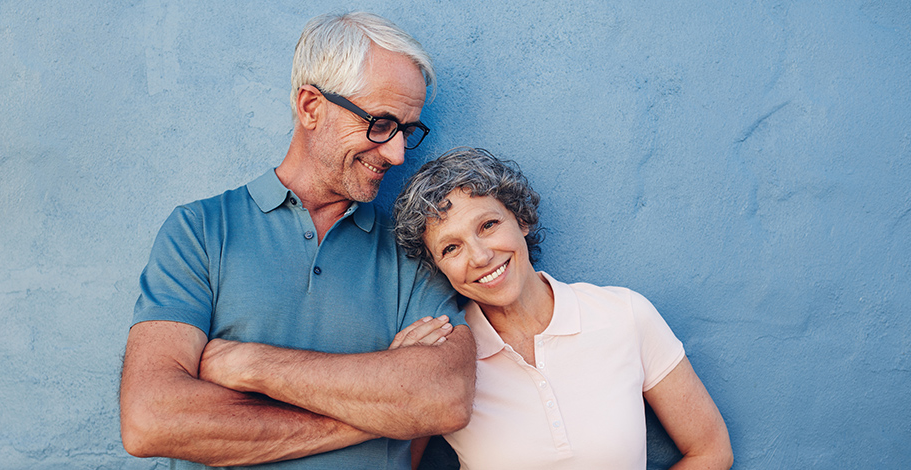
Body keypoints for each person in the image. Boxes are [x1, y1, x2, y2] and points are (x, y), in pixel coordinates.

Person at [119, 12, 476, 469]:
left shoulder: (415, 247)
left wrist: (252, 365)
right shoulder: (201, 231)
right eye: (381, 123)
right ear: (311, 106)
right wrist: (383, 410)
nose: (397, 153)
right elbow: (152, 418)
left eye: (407, 130)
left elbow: (443, 398)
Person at [393, 147, 734, 469]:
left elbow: (711, 450)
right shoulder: (443, 357)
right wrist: (397, 379)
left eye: (488, 225)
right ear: (437, 268)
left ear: (521, 220)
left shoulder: (625, 315)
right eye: (452, 248)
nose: (481, 257)